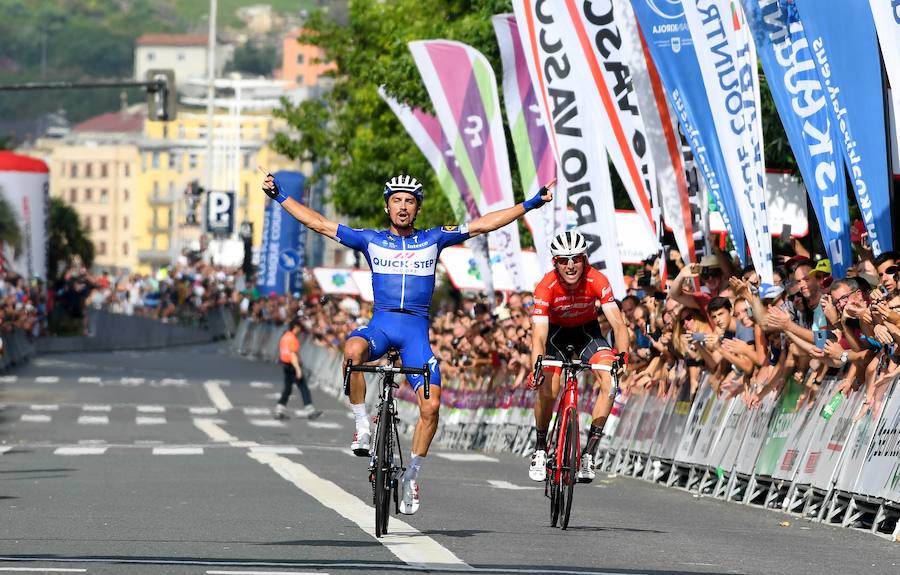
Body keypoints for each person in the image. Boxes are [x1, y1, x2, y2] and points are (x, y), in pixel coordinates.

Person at [262, 170, 556, 514]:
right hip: (381, 326)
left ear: (417, 209)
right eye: (397, 201)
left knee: (431, 407)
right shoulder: (370, 239)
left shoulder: (433, 238)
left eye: (410, 202)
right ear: (387, 207)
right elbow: (320, 224)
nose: (403, 207)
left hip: (416, 333)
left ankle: (412, 476)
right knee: (352, 350)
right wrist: (281, 197)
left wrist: (531, 203)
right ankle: (361, 426)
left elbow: (482, 225)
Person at [529, 231, 629, 484]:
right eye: (564, 260)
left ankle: (589, 454)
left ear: (585, 259)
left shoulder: (597, 279)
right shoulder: (545, 286)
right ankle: (541, 448)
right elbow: (539, 335)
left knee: (611, 381)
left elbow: (618, 324)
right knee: (549, 388)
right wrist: (536, 367)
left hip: (587, 333)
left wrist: (623, 356)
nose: (571, 265)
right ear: (555, 263)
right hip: (556, 334)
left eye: (576, 258)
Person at [275, 319, 321, 420]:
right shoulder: (292, 338)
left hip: (286, 364)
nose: (300, 330)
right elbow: (293, 354)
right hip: (293, 365)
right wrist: (298, 369)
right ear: (295, 327)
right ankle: (310, 411)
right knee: (303, 387)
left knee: (287, 389)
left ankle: (279, 410)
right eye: (299, 328)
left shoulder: (285, 337)